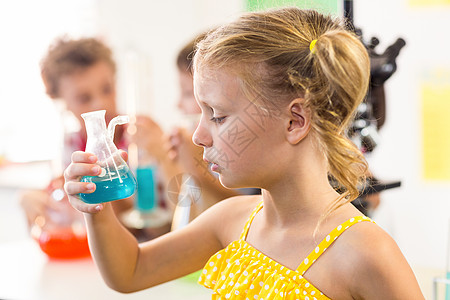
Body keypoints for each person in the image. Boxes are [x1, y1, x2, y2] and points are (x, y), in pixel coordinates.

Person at [64, 8, 424, 299]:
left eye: (218, 116)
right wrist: (95, 208)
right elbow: (130, 271)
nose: (199, 135)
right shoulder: (232, 221)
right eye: (200, 114)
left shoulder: (364, 252)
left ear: (294, 121)